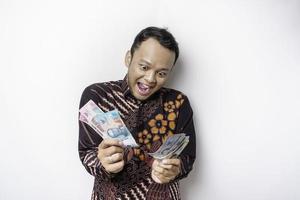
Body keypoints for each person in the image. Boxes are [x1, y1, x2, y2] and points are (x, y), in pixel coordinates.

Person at [78, 26, 196, 200]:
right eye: (144, 67)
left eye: (161, 73)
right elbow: (86, 151)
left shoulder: (178, 103)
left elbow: (188, 158)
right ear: (128, 58)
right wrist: (101, 163)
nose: (150, 79)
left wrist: (174, 170)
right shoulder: (97, 96)